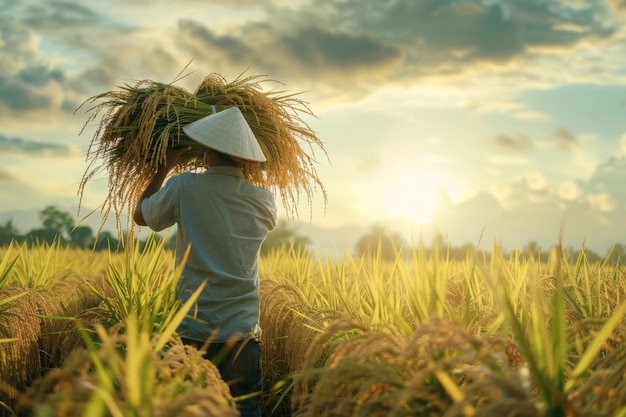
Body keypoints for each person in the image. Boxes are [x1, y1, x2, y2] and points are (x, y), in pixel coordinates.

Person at [133, 106, 277, 417]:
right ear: (245, 156)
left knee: (192, 409)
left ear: (207, 149)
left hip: (194, 329)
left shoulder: (185, 187)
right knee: (246, 409)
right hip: (241, 328)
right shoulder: (264, 201)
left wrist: (164, 166)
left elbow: (141, 216)